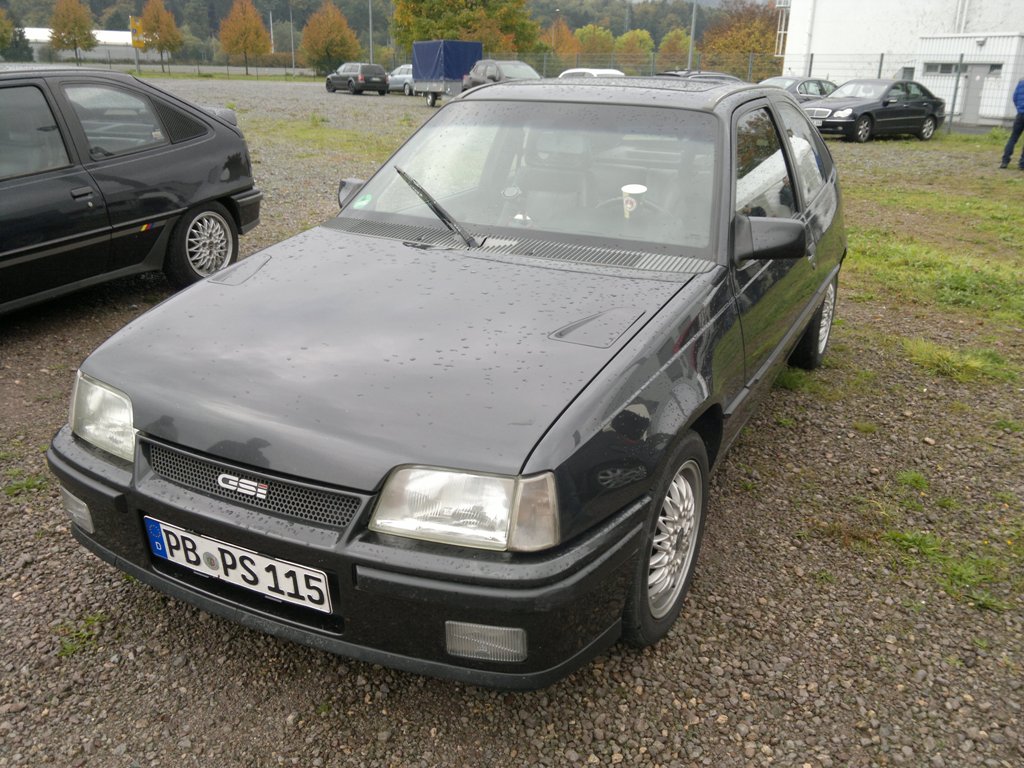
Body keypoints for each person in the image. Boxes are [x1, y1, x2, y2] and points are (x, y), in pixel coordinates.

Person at [1000, 77, 1024, 170]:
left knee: (1013, 138)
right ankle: (1022, 164)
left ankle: (1005, 161)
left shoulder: (1021, 83)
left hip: (1020, 114)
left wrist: (1019, 108)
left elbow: (1014, 97)